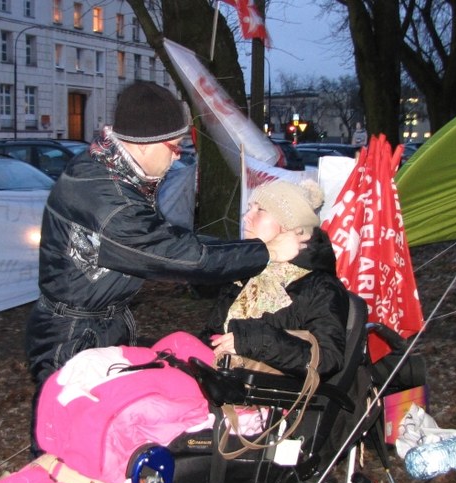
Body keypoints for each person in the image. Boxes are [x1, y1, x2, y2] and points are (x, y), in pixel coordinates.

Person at [25, 81, 306, 454]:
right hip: (74, 337)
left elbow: (172, 238)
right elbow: (182, 255)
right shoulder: (113, 205)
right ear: (144, 144)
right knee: (70, 444)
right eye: (174, 147)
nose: (178, 157)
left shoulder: (108, 166)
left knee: (103, 433)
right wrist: (264, 251)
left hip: (95, 325)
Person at [201, 178, 350, 379]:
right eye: (249, 208)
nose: (246, 217)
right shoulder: (248, 271)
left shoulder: (320, 287)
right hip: (220, 381)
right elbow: (214, 332)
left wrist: (254, 340)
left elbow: (328, 359)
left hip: (267, 399)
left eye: (259, 210)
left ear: (289, 225)